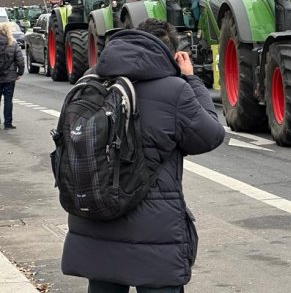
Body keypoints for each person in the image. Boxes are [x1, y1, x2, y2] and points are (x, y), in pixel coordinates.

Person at [60, 19, 225, 293]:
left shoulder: (91, 82)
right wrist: (192, 79)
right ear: (171, 54)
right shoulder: (175, 90)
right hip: (153, 234)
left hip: (96, 221)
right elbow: (210, 135)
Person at [0, 22, 24, 129]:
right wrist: (20, 73)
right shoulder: (13, 44)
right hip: (9, 77)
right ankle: (8, 123)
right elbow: (20, 60)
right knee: (8, 100)